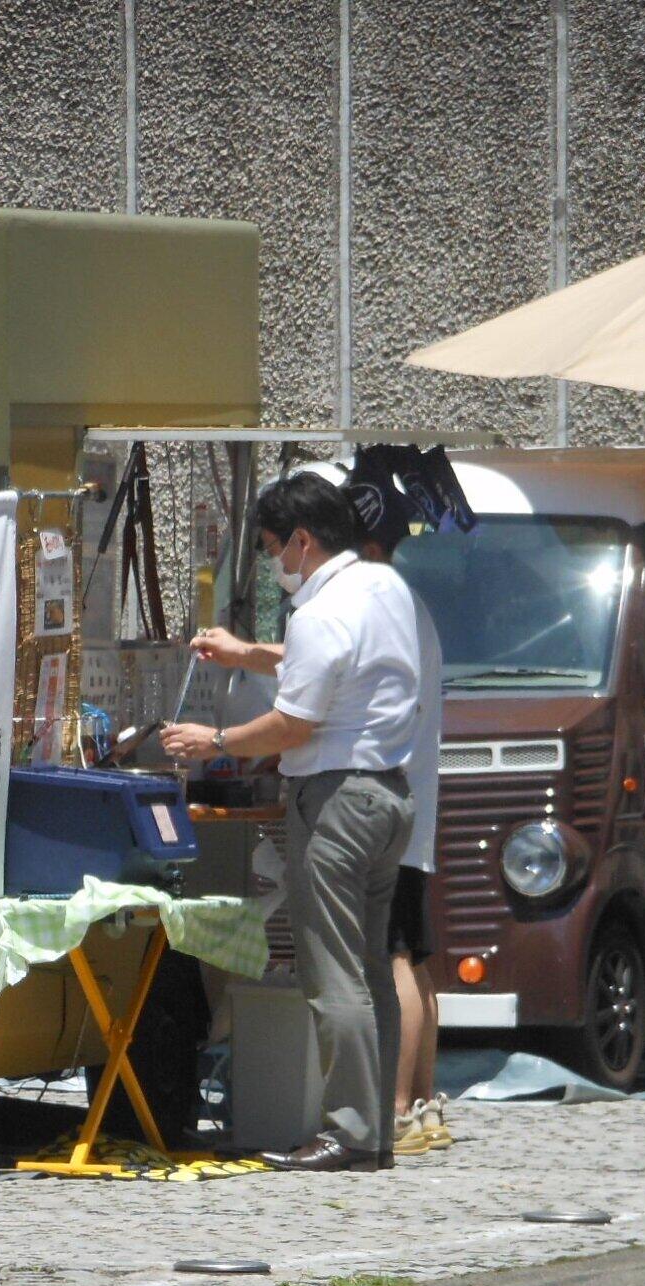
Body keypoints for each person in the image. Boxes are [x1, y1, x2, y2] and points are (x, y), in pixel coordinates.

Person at [161, 472, 419, 1172]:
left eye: (276, 546)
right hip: (389, 797)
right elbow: (331, 665)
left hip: (335, 803)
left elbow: (293, 723)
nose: (276, 563)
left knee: (330, 971)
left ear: (303, 541)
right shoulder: (382, 586)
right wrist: (248, 653)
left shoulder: (318, 613)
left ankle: (347, 1131)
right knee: (366, 967)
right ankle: (374, 1128)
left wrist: (211, 739)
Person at [343, 476, 450, 1156]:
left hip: (390, 798)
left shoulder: (380, 604)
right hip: (416, 798)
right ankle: (426, 1104)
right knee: (416, 957)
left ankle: (398, 1107)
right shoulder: (411, 604)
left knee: (393, 959)